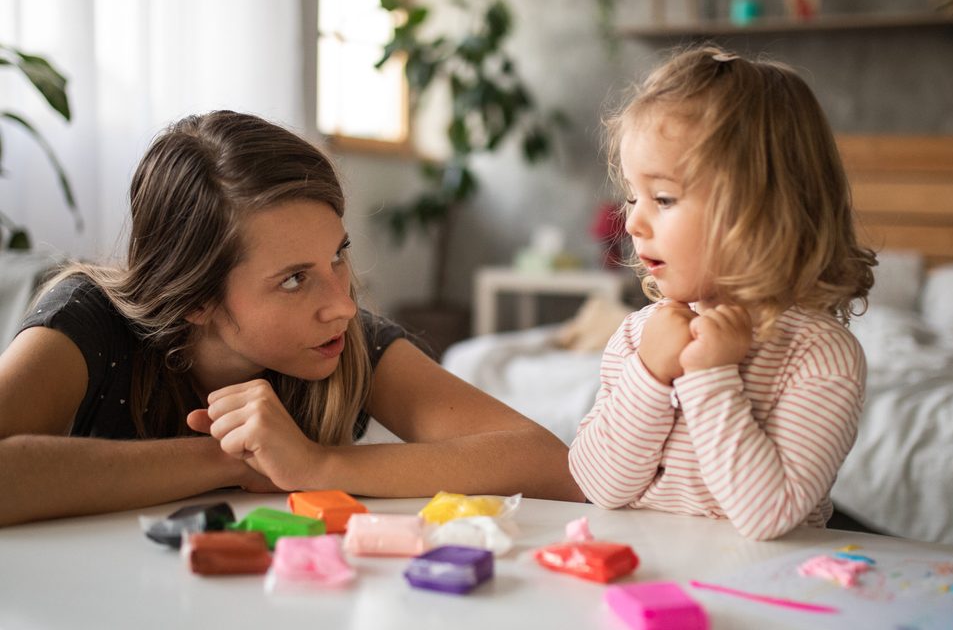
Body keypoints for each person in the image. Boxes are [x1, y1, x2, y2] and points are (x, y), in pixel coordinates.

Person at [0, 110, 583, 527]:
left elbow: (549, 465)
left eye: (338, 256)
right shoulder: (87, 320)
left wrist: (319, 463)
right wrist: (230, 458)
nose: (344, 305)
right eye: (294, 279)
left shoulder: (345, 340)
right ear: (195, 298)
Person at [568, 46, 876, 540]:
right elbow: (597, 485)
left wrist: (710, 375)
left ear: (764, 209)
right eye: (631, 195)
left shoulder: (817, 355)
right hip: (644, 572)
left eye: (663, 198)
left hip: (761, 582)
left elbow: (767, 516)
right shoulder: (639, 337)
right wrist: (649, 374)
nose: (633, 222)